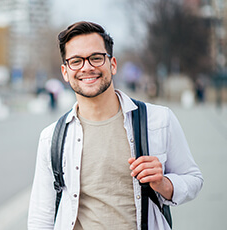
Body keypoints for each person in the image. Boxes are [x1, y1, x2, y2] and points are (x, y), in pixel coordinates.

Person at [28, 21, 203, 230]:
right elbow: (41, 218)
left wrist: (164, 184)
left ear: (112, 64)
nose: (87, 67)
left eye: (96, 58)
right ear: (65, 72)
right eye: (76, 61)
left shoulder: (158, 120)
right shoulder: (52, 138)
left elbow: (193, 179)